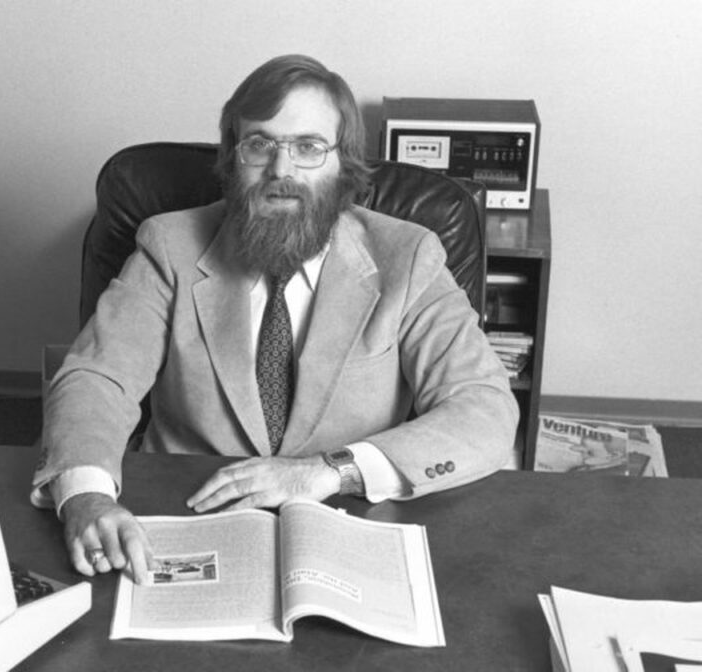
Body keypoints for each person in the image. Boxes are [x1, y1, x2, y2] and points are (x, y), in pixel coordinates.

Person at [31, 54, 518, 584]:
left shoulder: (409, 255)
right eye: (260, 144)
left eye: (309, 147)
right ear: (232, 157)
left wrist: (332, 471)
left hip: (349, 518)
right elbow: (98, 377)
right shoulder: (168, 246)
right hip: (186, 509)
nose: (281, 170)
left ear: (344, 164)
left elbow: (484, 407)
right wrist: (87, 497)